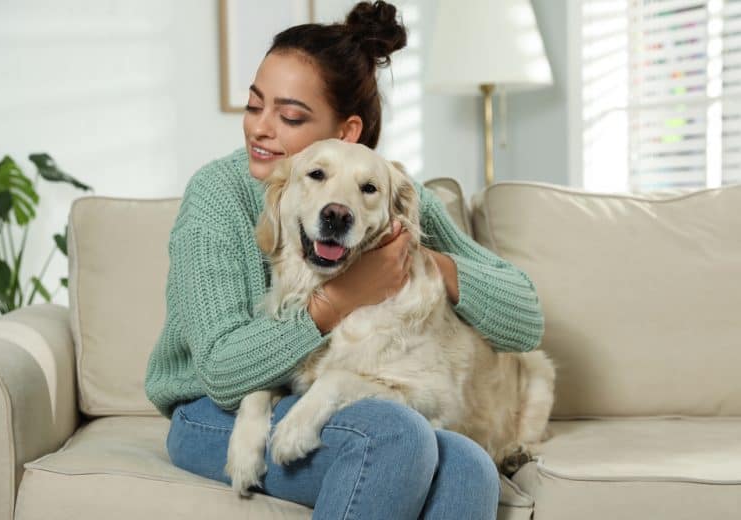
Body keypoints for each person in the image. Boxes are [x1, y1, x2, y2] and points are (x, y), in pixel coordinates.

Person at [144, 1, 544, 518]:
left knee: (469, 463)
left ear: (347, 133)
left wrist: (426, 263)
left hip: (318, 395)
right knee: (397, 435)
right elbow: (222, 373)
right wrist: (343, 299)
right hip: (211, 412)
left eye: (289, 116)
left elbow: (526, 319)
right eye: (254, 105)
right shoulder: (219, 194)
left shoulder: (391, 193)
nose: (260, 129)